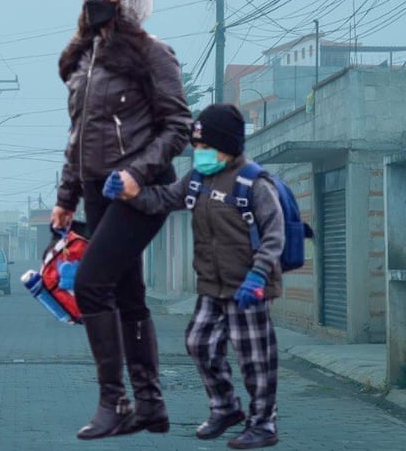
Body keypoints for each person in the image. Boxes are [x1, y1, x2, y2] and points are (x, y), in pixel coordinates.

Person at [52, 0, 191, 440]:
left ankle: (114, 401)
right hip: (95, 192)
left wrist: (136, 172)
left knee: (91, 284)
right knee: (129, 296)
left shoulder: (152, 54)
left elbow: (178, 126)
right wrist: (66, 197)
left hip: (139, 192)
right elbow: (78, 136)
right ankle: (151, 406)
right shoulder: (85, 59)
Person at [109, 103, 284, 449]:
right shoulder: (198, 178)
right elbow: (164, 199)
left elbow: (275, 234)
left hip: (248, 286)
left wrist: (258, 275)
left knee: (255, 358)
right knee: (198, 343)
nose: (200, 152)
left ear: (228, 145)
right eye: (197, 146)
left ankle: (264, 424)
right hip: (211, 286)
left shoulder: (254, 182)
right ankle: (225, 408)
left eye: (206, 146)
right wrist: (132, 194)